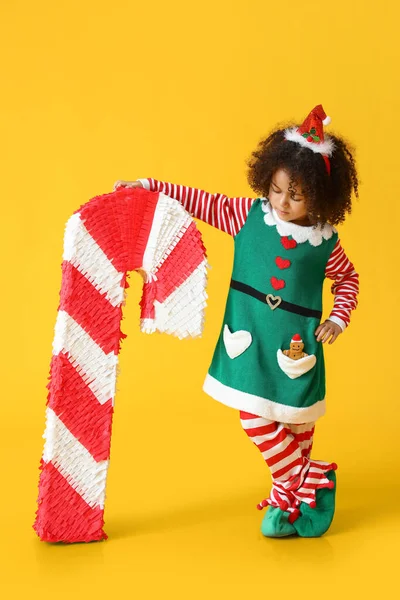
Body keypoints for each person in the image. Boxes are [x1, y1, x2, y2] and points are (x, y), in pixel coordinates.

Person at [113, 104, 360, 538]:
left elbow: (348, 281)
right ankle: (313, 480)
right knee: (255, 417)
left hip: (298, 350)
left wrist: (337, 321)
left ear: (320, 196)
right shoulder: (246, 216)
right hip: (248, 342)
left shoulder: (326, 242)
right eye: (278, 189)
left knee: (298, 428)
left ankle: (288, 511)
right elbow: (199, 200)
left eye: (296, 195)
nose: (283, 202)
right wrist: (149, 186)